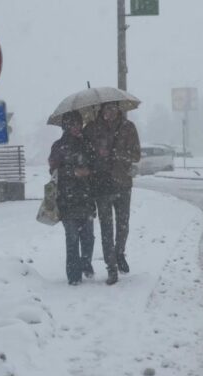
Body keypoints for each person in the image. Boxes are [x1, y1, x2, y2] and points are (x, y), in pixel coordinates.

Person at [84, 102, 141, 285]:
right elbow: (84, 153)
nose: (111, 112)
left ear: (119, 109)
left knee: (123, 225)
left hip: (123, 183)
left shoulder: (128, 127)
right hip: (101, 185)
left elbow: (136, 155)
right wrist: (96, 154)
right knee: (106, 228)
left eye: (114, 108)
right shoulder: (92, 128)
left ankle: (119, 253)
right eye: (107, 109)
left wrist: (116, 154)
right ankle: (111, 267)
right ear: (101, 110)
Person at [48, 111, 96, 285]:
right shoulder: (58, 146)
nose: (77, 126)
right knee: (72, 238)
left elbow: (94, 164)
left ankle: (85, 263)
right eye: (73, 123)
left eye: (79, 123)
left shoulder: (87, 143)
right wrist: (73, 172)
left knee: (89, 237)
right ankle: (74, 275)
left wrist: (90, 171)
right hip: (67, 199)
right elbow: (53, 171)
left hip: (86, 198)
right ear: (66, 126)